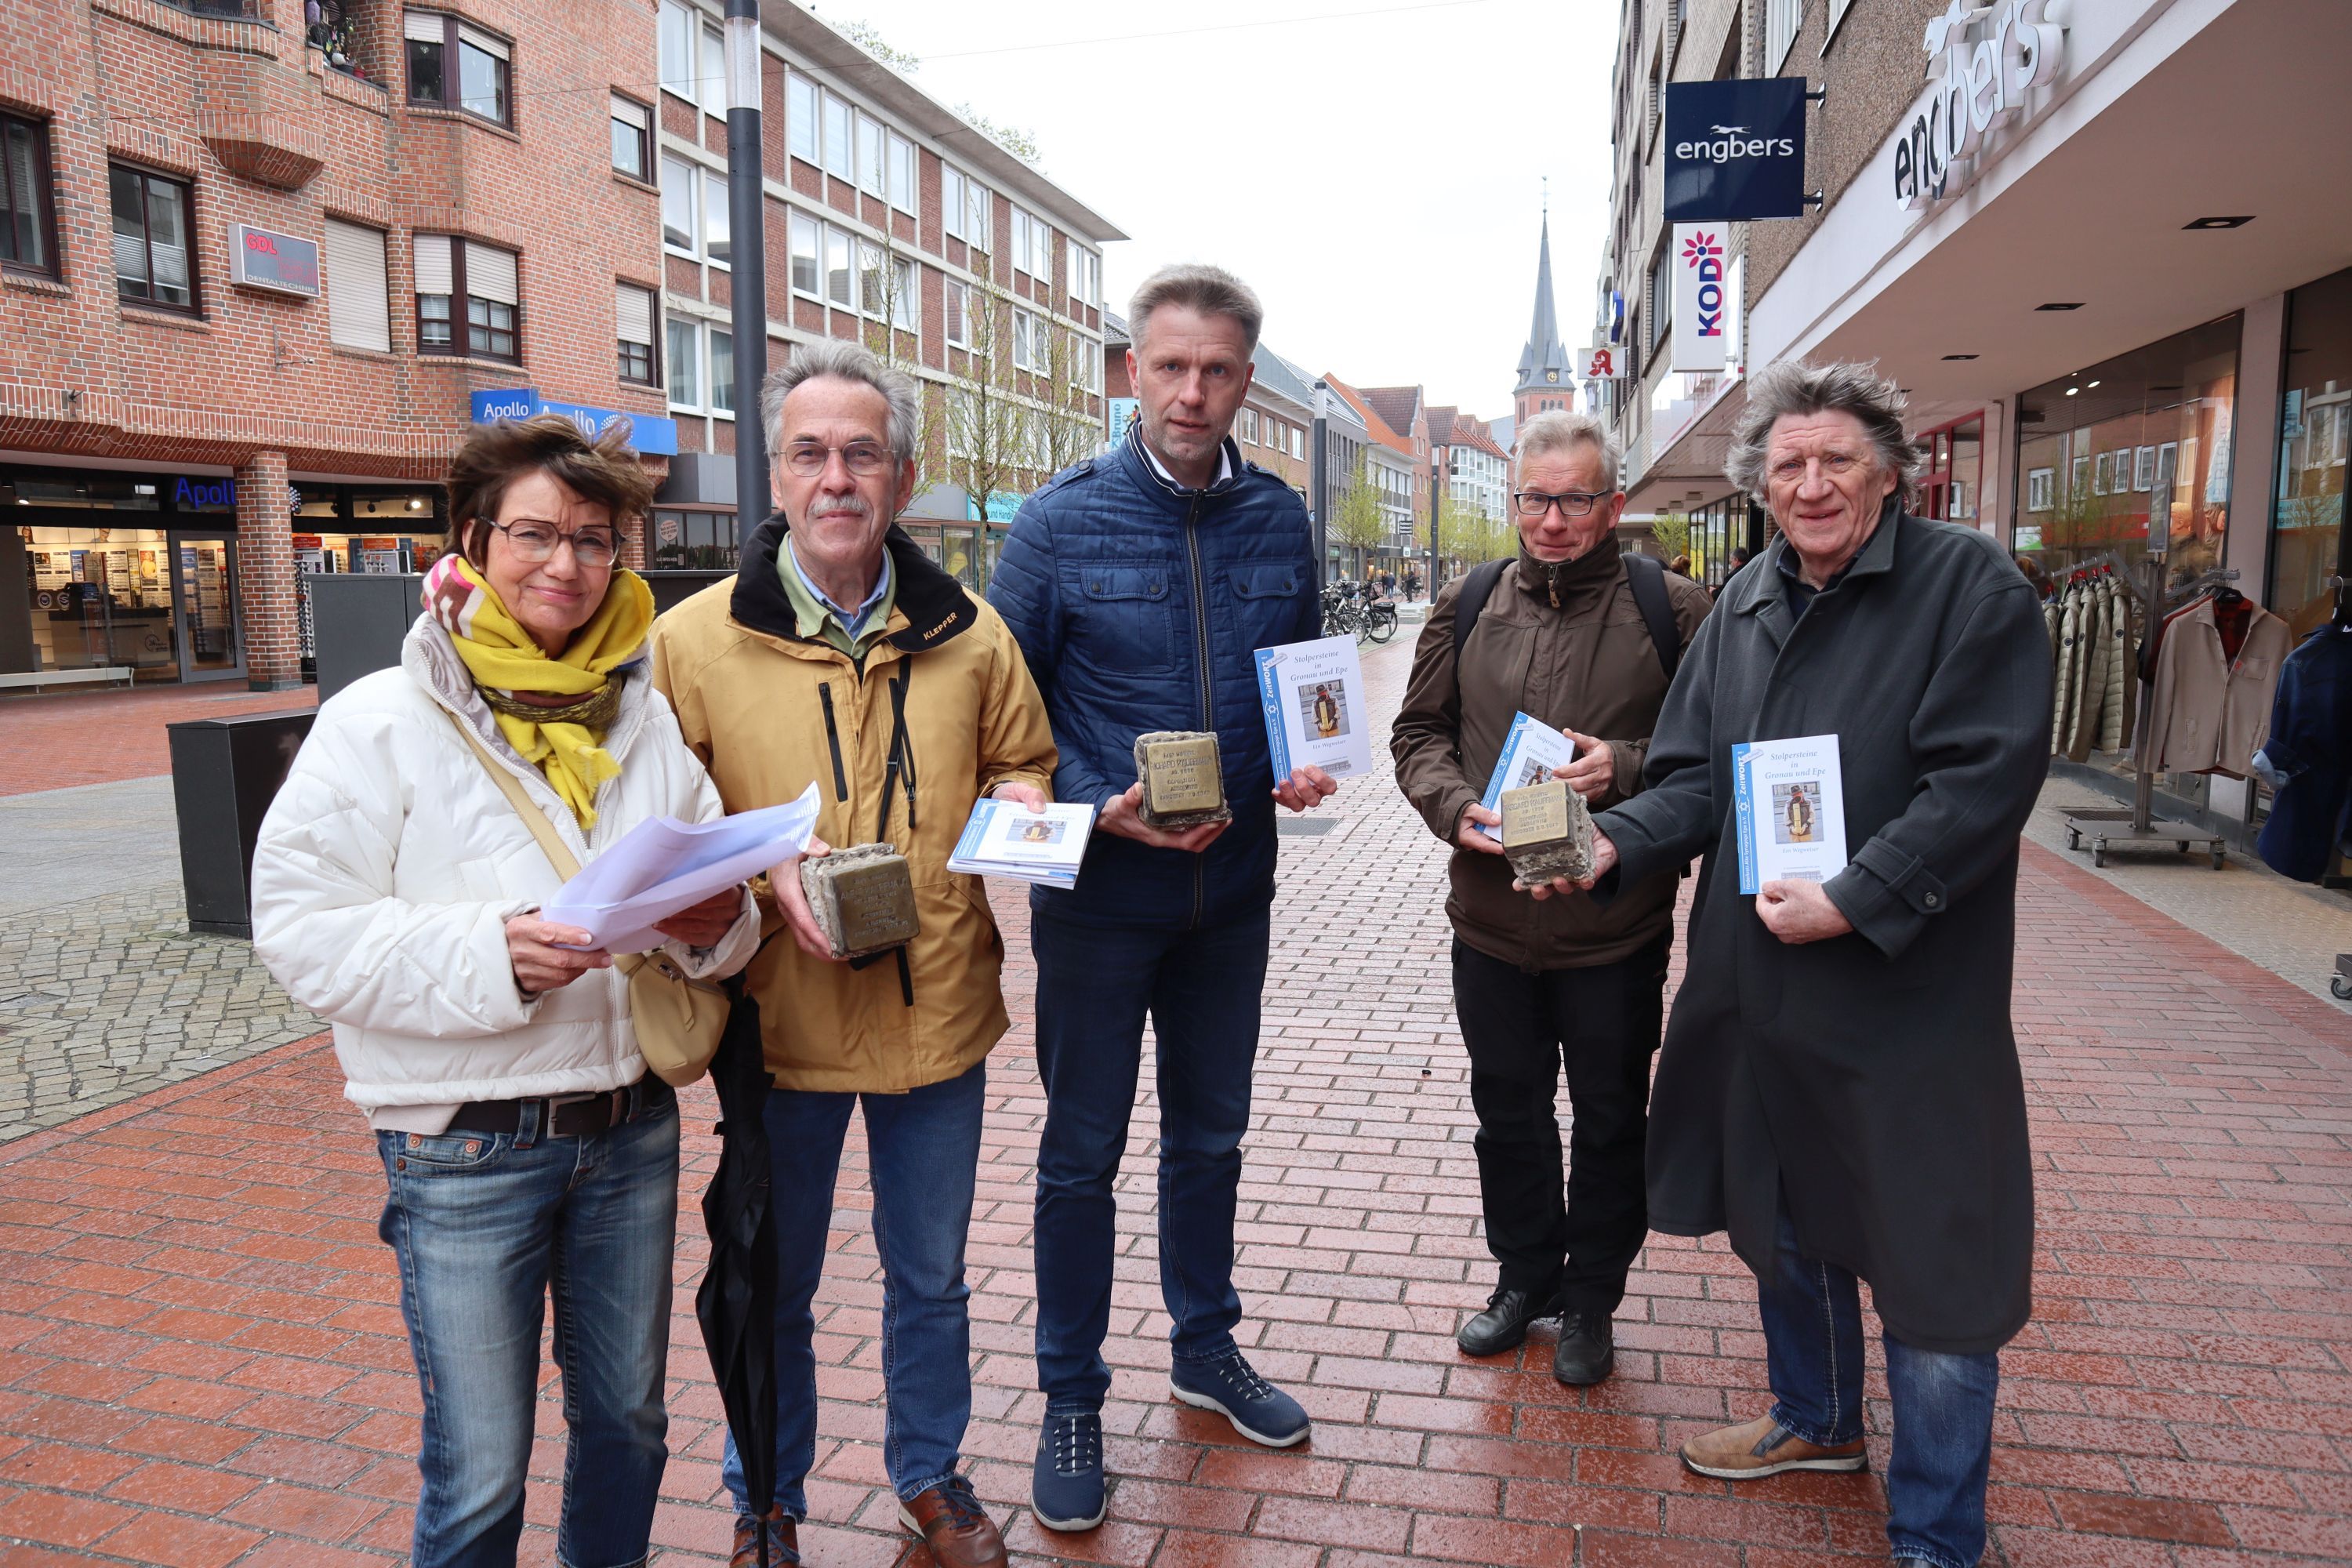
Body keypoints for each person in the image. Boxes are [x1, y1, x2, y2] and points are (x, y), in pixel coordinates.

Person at [250, 413, 759, 1568]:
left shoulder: (647, 722)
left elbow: (719, 919)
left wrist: (717, 922)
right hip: (461, 1151)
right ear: (474, 541)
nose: (568, 565)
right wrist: (496, 954)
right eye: (536, 534)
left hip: (627, 1131)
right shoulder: (376, 723)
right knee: (480, 1472)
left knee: (628, 1430)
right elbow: (300, 930)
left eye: (594, 539)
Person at [1570, 361, 2051, 1568]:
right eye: (1789, 464)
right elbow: (1690, 778)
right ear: (1762, 487)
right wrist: (1605, 847)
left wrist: (1854, 898)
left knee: (1932, 1257)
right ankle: (1819, 1418)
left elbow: (1980, 782)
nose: (1813, 483)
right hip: (1758, 984)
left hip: (1905, 997)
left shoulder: (1968, 590)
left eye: (1837, 459)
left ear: (1889, 471)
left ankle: (1939, 1537)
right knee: (1781, 1217)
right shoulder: (1744, 604)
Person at [650, 341, 1058, 1568]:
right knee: (772, 1283)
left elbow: (1021, 759)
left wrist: (1023, 818)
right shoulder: (695, 642)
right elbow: (655, 829)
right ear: (775, 476)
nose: (838, 477)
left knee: (929, 1279)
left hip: (940, 1016)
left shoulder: (972, 634)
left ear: (905, 476)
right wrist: (749, 869)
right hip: (781, 1029)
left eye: (862, 453)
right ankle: (766, 1494)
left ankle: (926, 1474)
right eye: (812, 453)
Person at [989, 263, 1337, 1533]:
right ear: (1133, 370)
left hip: (1232, 893)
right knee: (1081, 1157)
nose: (1193, 391)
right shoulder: (1057, 522)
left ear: (1247, 380)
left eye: (1219, 370)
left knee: (1211, 1139)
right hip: (1097, 903)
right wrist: (1093, 798)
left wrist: (1304, 757)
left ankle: (1205, 1347)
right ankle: (1072, 1394)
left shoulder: (1278, 520)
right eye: (1171, 366)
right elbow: (1003, 713)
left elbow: (1295, 678)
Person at [1391, 410, 1709, 1385]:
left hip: (1613, 928)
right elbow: (1418, 735)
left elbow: (1718, 756)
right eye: (1537, 497)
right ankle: (1523, 1275)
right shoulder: (1470, 599)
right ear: (1517, 499)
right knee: (1508, 1110)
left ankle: (1592, 1296)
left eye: (1576, 499)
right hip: (1489, 922)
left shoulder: (1677, 611)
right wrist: (1457, 810)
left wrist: (1626, 766)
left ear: (1613, 504)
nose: (1555, 519)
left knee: (1612, 1114)